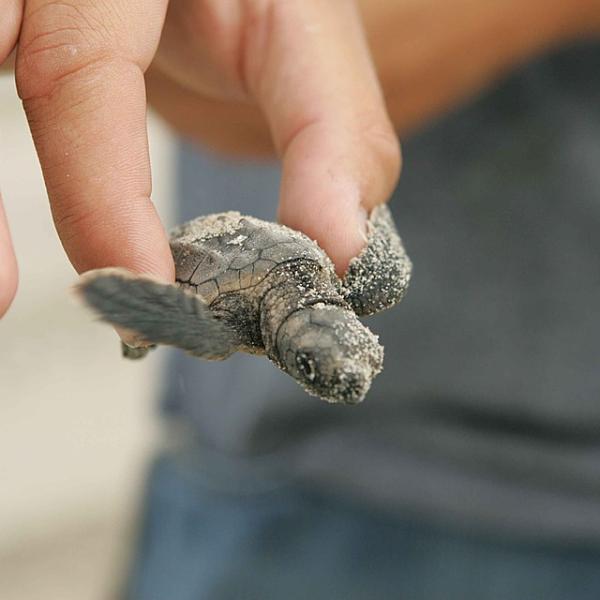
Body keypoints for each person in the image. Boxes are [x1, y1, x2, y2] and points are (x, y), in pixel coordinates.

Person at [2, 2, 600, 599]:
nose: (344, 378)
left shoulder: (266, 312)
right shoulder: (333, 279)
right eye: (329, 363)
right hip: (314, 476)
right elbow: (210, 92)